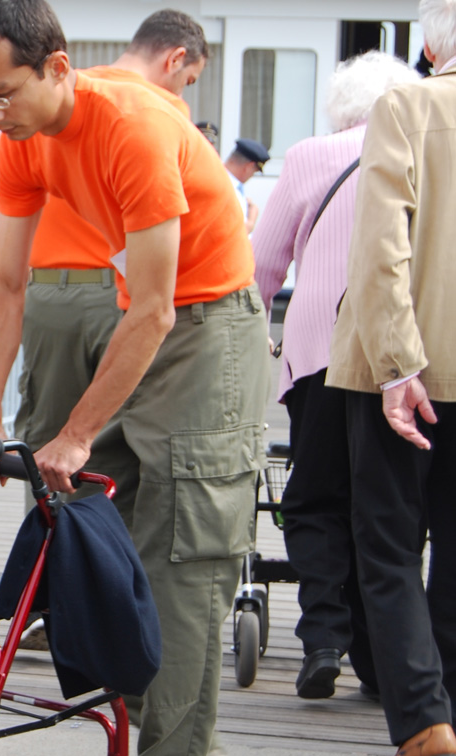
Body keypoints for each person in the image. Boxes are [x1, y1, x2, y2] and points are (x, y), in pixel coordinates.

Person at [0, 1, 269, 754]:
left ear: (58, 68)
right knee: (101, 532)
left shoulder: (135, 124)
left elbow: (158, 310)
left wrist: (76, 432)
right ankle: (124, 729)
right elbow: (4, 283)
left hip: (207, 326)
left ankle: (177, 748)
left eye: (3, 93)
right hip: (140, 316)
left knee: (184, 554)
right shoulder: (23, 138)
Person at [253, 50, 419, 701]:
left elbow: (261, 270)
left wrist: (256, 347)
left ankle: (322, 635)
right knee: (383, 506)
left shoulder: (309, 156)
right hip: (403, 357)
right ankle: (383, 662)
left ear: (341, 107)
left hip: (320, 350)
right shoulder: (422, 151)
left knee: (315, 496)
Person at [326, 0, 456, 752]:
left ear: (432, 48)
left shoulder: (406, 105)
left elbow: (382, 246)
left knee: (388, 547)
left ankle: (423, 722)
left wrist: (400, 362)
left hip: (396, 373)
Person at [223, 137, 269, 235]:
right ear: (249, 167)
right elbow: (233, 234)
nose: (251, 175)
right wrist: (251, 221)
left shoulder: (231, 184)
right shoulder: (224, 187)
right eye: (254, 171)